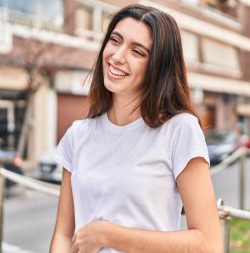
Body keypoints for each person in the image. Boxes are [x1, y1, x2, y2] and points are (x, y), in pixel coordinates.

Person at [50, 4, 223, 253]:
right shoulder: (77, 135)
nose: (118, 56)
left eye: (137, 52)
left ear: (158, 67)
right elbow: (63, 235)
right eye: (115, 40)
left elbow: (208, 244)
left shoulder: (180, 130)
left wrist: (108, 234)